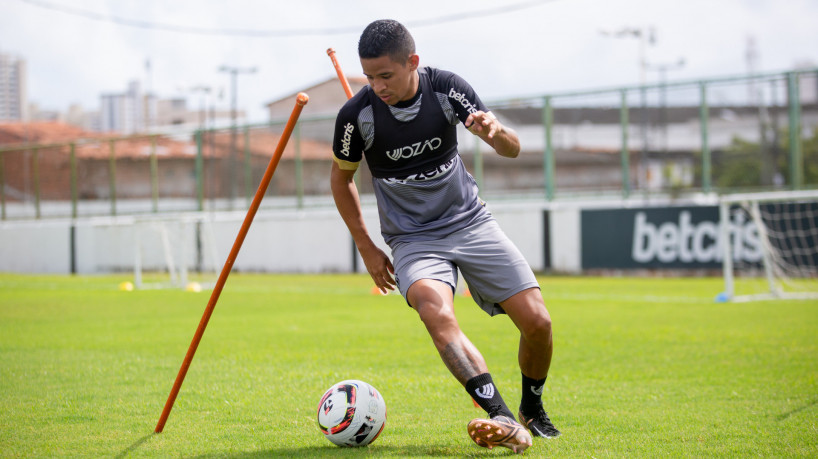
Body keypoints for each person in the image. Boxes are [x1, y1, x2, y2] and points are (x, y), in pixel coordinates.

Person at [330, 19, 560, 454]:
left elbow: (512, 149)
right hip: (413, 240)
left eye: (386, 75)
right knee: (435, 311)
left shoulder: (447, 89)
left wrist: (496, 134)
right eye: (369, 77)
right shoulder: (356, 116)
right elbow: (340, 181)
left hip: (471, 222)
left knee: (539, 323)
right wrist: (367, 247)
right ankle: (502, 418)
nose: (377, 86)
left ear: (412, 62)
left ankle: (532, 408)